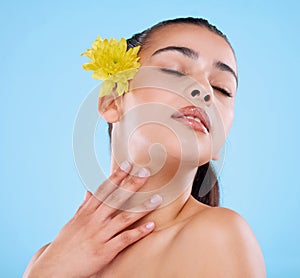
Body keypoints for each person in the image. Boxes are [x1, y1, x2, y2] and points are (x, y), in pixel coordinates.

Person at [24, 17, 266, 277]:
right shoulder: (48, 258)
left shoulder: (220, 234)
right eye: (174, 71)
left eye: (222, 89)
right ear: (111, 102)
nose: (205, 90)